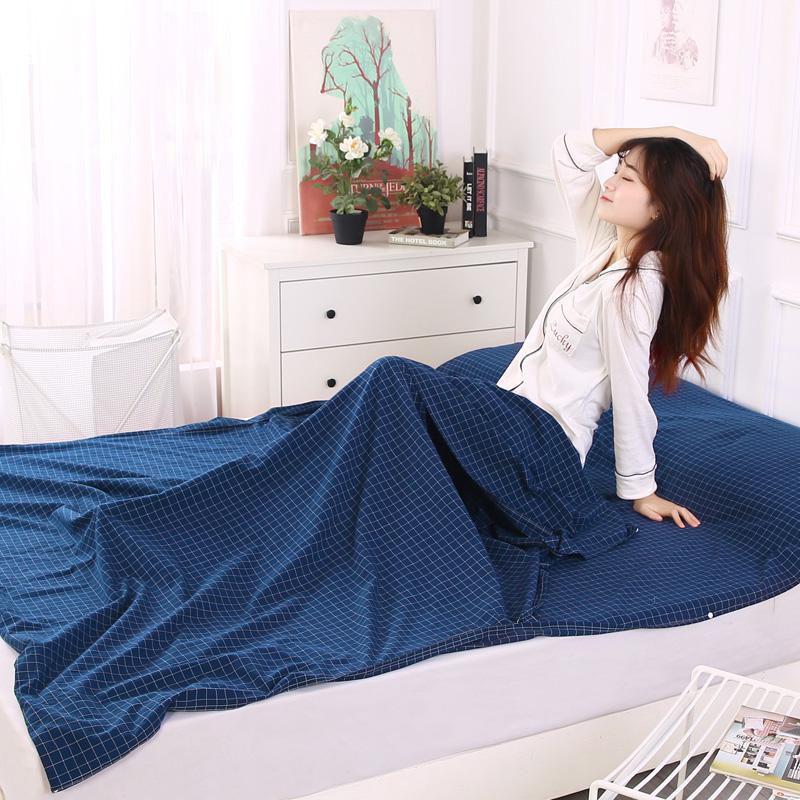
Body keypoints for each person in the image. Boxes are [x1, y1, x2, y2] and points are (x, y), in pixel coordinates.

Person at [496, 125, 729, 528]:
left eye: (628, 178)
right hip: (505, 419)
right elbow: (568, 152)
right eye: (617, 170)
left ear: (661, 208)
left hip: (537, 449)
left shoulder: (635, 289)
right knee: (400, 411)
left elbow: (630, 389)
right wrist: (672, 133)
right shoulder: (604, 242)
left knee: (395, 378)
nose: (610, 182)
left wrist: (641, 490)